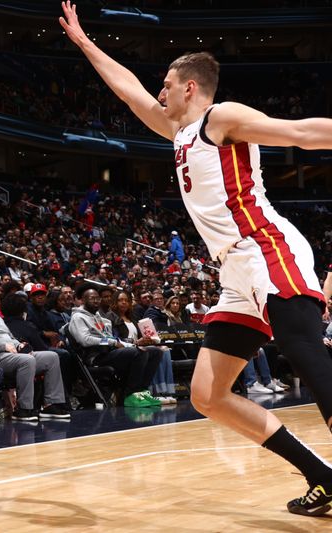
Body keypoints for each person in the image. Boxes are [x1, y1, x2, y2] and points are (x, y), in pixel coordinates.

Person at [61, 1, 332, 515]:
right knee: (208, 393)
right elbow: (129, 92)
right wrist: (83, 42)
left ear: (189, 86)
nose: (158, 91)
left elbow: (299, 133)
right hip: (235, 269)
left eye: (165, 82)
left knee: (307, 355)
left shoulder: (220, 117)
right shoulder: (180, 133)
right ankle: (322, 474)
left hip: (265, 245)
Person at [0, 285, 70, 421]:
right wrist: (3, 346)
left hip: (13, 353)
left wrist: (19, 344)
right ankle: (23, 409)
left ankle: (51, 404)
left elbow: (10, 336)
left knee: (51, 357)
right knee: (27, 360)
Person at [69, 285, 163, 408]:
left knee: (155, 351)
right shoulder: (78, 317)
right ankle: (131, 394)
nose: (96, 301)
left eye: (98, 298)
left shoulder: (98, 317)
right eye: (92, 298)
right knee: (138, 353)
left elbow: (113, 339)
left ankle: (141, 392)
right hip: (95, 357)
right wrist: (111, 342)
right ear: (83, 300)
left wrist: (131, 344)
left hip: (108, 352)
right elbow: (85, 340)